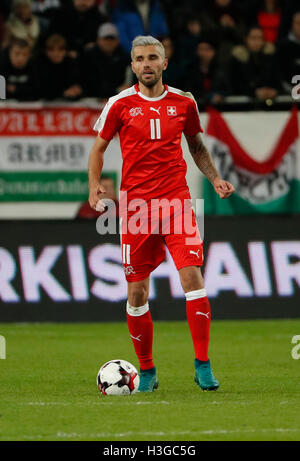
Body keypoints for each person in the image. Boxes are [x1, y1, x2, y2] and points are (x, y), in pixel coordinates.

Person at [88, 35, 234, 392]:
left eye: (153, 57)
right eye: (140, 59)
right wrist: (94, 185)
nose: (146, 64)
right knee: (136, 292)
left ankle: (202, 365)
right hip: (137, 208)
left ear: (164, 62)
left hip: (177, 202)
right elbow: (98, 148)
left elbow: (196, 145)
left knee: (192, 279)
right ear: (133, 65)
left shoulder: (184, 102)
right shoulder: (119, 104)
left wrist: (214, 178)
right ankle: (148, 370)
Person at [81, 22, 131, 98]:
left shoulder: (125, 57)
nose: (109, 42)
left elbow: (128, 83)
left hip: (118, 98)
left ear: (117, 40)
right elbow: (87, 83)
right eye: (105, 39)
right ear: (98, 40)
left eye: (112, 39)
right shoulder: (88, 57)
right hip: (92, 99)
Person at [36, 34, 82, 100]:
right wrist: (63, 93)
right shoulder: (40, 64)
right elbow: (39, 89)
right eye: (51, 50)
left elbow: (77, 84)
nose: (56, 53)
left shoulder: (71, 64)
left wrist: (76, 90)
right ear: (46, 51)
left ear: (65, 51)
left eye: (60, 50)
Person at [278, 11, 300, 93]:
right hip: (287, 94)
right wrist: (293, 89)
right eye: (298, 23)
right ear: (292, 24)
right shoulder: (282, 46)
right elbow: (279, 73)